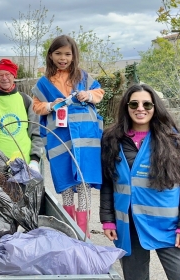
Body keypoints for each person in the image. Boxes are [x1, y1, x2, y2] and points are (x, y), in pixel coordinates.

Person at [100, 84, 180, 280]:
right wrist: (108, 220)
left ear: (155, 107)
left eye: (147, 104)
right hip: (129, 224)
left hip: (168, 225)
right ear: (126, 107)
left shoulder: (172, 139)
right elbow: (108, 182)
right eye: (134, 103)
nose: (140, 108)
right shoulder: (112, 139)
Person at [31, 35, 104, 237]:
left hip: (84, 143)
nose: (63, 58)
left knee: (83, 185)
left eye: (67, 54)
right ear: (51, 55)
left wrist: (88, 95)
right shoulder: (44, 83)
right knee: (66, 187)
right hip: (60, 143)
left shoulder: (82, 77)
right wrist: (51, 105)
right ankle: (70, 231)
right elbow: (37, 107)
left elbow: (99, 92)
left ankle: (83, 233)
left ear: (73, 56)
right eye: (58, 53)